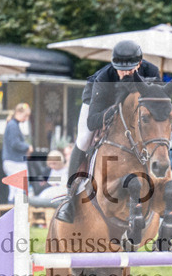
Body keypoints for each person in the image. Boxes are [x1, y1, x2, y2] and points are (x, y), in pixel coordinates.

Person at [56, 40, 161, 223]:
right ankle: (69, 195)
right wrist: (115, 110)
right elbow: (93, 121)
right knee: (83, 139)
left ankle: (164, 192)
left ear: (140, 63)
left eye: (130, 69)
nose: (126, 73)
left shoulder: (152, 73)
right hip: (101, 106)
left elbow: (158, 105)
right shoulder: (104, 77)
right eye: (121, 69)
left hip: (136, 114)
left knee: (160, 135)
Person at [1, 103, 32, 204]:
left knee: (14, 189)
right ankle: (15, 213)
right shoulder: (13, 126)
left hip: (11, 160)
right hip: (15, 161)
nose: (26, 119)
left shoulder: (12, 125)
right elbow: (15, 143)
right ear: (18, 113)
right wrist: (28, 147)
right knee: (19, 190)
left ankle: (11, 211)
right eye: (25, 115)